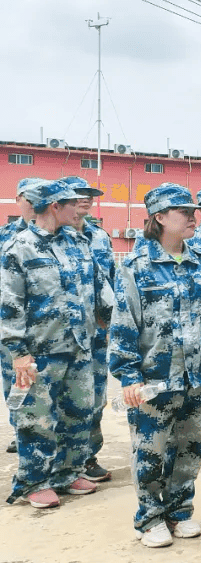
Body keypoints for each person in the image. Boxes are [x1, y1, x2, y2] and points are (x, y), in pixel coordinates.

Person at [109, 184, 201, 546]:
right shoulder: (137, 267)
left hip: (197, 376)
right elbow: (124, 324)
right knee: (150, 451)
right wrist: (128, 375)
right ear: (159, 217)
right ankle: (150, 517)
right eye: (183, 211)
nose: (192, 217)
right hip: (154, 378)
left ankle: (179, 510)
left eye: (193, 211)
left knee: (190, 448)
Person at [2, 180, 112, 509]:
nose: (79, 208)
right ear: (55, 206)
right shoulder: (20, 247)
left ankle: (67, 473)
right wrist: (18, 353)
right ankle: (35, 481)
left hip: (78, 347)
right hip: (39, 351)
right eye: (71, 203)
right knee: (37, 419)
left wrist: (112, 323)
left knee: (78, 413)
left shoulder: (77, 242)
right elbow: (9, 305)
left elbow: (100, 290)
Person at [58, 176, 115, 484]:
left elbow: (111, 280)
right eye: (78, 194)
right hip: (64, 335)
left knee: (95, 397)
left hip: (98, 333)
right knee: (64, 400)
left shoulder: (100, 237)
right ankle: (60, 464)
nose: (85, 198)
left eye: (89, 194)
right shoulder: (55, 237)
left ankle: (87, 456)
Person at [1, 177, 46, 454]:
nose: (34, 203)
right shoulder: (5, 236)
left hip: (48, 329)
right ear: (18, 199)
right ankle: (21, 433)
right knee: (16, 383)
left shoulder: (57, 234)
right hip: (13, 326)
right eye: (29, 197)